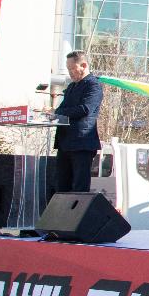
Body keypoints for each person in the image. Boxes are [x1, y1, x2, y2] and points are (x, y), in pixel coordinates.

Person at [54, 50, 103, 193]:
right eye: (68, 69)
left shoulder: (93, 85)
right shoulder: (71, 87)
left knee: (79, 187)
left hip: (82, 142)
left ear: (83, 65)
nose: (70, 73)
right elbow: (61, 109)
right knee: (61, 185)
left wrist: (57, 112)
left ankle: (78, 215)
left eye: (72, 69)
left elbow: (85, 109)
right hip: (65, 142)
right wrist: (51, 113)